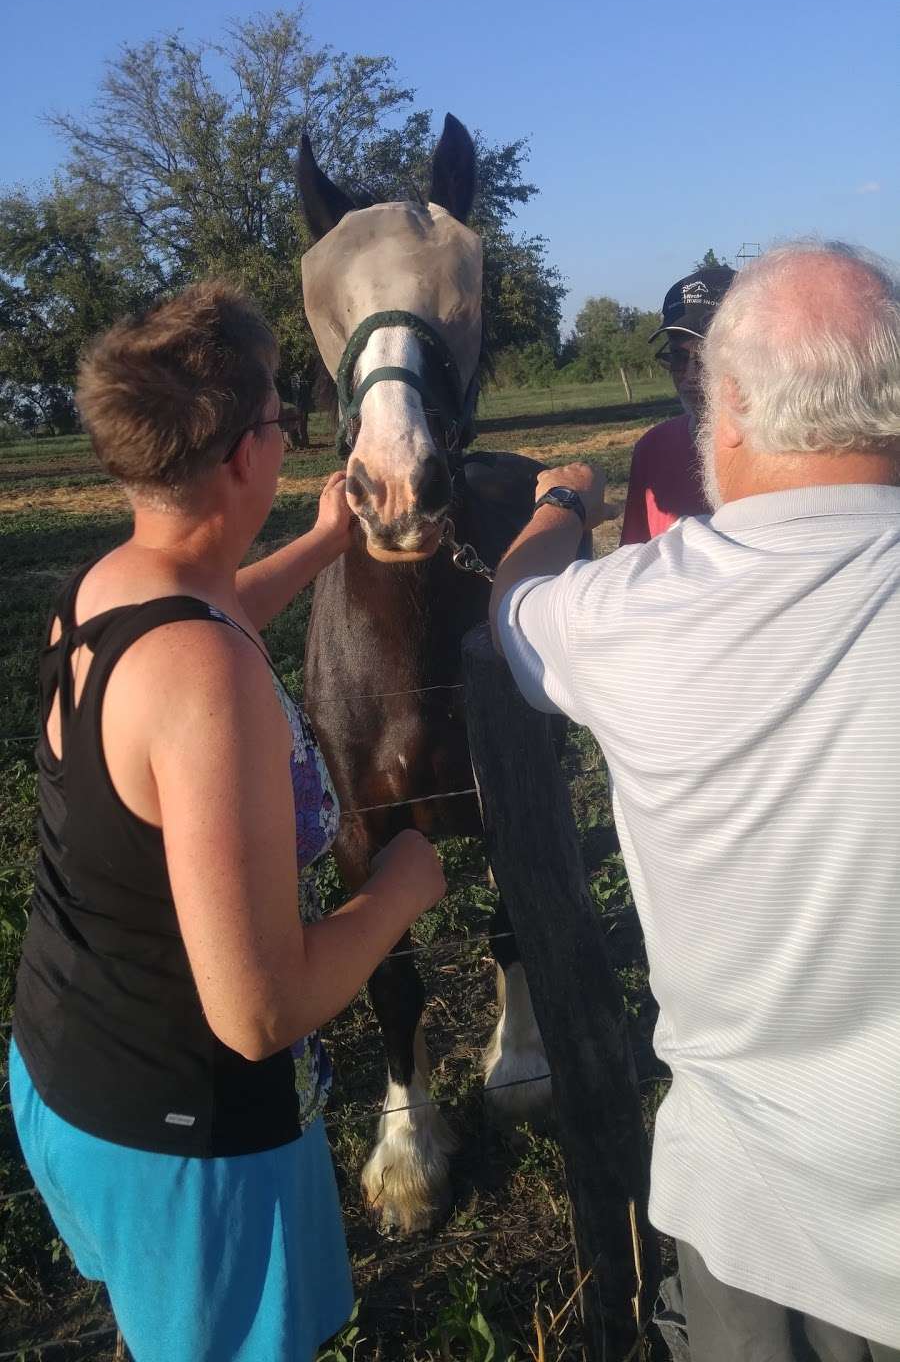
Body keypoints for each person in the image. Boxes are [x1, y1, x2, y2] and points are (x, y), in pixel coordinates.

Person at [10, 281, 446, 1362]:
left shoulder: (108, 590)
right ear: (244, 453)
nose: (291, 439)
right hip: (188, 1143)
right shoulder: (208, 684)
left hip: (69, 1075)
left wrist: (318, 543)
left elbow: (210, 613)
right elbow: (259, 1011)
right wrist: (402, 886)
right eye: (281, 422)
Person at [490, 242, 900, 1360]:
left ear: (720, 407)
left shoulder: (625, 618)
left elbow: (515, 609)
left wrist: (561, 506)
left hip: (752, 1229)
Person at [619, 264, 735, 542]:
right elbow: (636, 557)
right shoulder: (653, 449)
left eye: (708, 356)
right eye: (678, 357)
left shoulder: (786, 454)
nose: (692, 376)